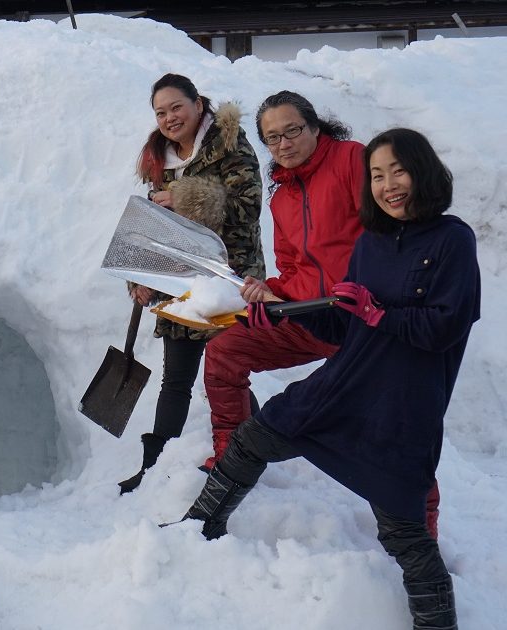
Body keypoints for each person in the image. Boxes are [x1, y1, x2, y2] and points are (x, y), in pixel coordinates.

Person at [174, 128, 477, 630]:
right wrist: (283, 312)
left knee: (402, 530)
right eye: (377, 175)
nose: (388, 184)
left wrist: (381, 315)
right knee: (252, 439)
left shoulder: (453, 239)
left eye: (398, 170)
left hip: (402, 402)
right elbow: (342, 322)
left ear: (423, 171)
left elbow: (445, 327)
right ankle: (198, 527)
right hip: (345, 383)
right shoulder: (373, 243)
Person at [118, 73, 265, 494]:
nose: (169, 118)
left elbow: (248, 207)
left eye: (176, 107)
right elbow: (153, 224)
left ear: (198, 103)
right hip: (179, 281)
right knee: (176, 379)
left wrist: (184, 197)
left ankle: (252, 452)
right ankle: (155, 470)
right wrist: (140, 277)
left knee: (227, 372)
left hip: (227, 279)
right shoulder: (159, 157)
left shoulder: (228, 144)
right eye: (160, 112)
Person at [200, 91, 365, 466]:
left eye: (292, 131)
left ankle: (416, 523)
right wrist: (268, 293)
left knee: (388, 425)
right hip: (310, 314)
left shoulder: (352, 159)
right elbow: (293, 268)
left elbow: (387, 233)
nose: (283, 144)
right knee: (225, 352)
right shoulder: (282, 196)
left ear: (315, 126)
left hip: (363, 317)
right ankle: (231, 460)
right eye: (272, 138)